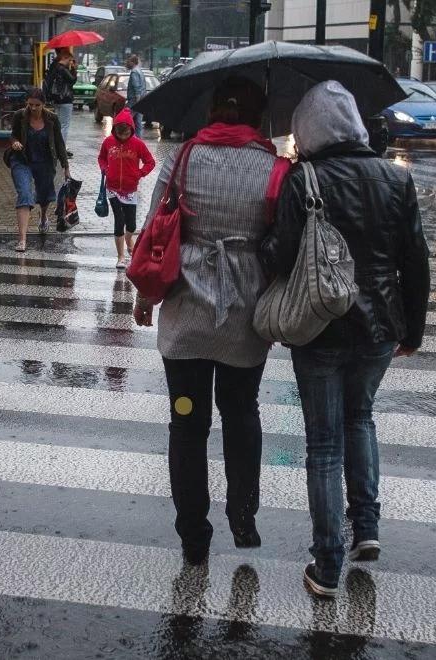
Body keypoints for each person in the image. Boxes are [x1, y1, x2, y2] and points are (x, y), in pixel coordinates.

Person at [270, 81, 429, 598]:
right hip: (381, 327)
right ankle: (367, 529)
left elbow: (281, 257)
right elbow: (415, 263)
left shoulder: (304, 180)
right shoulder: (396, 179)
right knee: (361, 418)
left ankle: (327, 564)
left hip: (319, 327)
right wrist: (413, 330)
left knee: (323, 442)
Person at [132, 77, 281, 566]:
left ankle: (193, 533)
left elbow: (155, 225)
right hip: (246, 312)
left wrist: (145, 296)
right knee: (241, 413)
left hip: (186, 310)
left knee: (186, 423)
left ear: (211, 111)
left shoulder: (182, 158)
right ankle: (243, 514)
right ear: (259, 115)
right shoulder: (276, 169)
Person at [8, 88, 70, 252]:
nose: (33, 108)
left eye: (37, 105)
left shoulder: (52, 119)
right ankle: (22, 240)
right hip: (22, 160)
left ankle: (43, 217)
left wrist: (66, 167)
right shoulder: (20, 116)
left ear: (43, 104)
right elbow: (13, 134)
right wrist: (14, 142)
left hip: (45, 161)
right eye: (30, 104)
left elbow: (59, 143)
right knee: (25, 194)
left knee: (44, 196)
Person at [97, 107, 156, 268]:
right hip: (112, 188)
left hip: (131, 189)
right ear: (115, 130)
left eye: (126, 134)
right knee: (119, 220)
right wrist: (105, 169)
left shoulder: (138, 144)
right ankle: (121, 256)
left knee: (131, 224)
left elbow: (151, 162)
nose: (123, 137)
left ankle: (129, 240)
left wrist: (140, 173)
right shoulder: (108, 142)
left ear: (131, 129)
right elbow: (101, 158)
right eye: (120, 134)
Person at [46, 48, 77, 153]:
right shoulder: (63, 69)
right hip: (66, 100)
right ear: (65, 57)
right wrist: (73, 69)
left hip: (57, 99)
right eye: (69, 60)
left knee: (58, 124)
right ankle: (61, 148)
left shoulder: (53, 67)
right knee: (64, 125)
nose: (70, 62)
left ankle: (55, 146)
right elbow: (72, 81)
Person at [126, 54, 146, 133]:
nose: (127, 63)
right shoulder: (140, 71)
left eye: (129, 61)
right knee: (138, 122)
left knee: (127, 119)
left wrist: (137, 99)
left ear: (133, 62)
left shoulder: (134, 71)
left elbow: (136, 86)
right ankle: (138, 139)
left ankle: (125, 136)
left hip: (134, 100)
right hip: (140, 99)